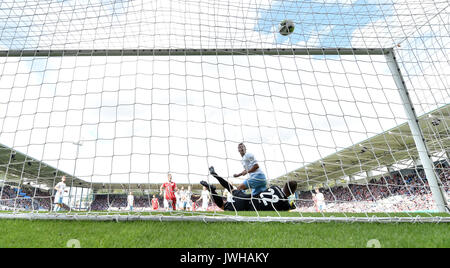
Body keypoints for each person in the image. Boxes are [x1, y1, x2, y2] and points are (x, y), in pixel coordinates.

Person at [202, 166, 297, 211]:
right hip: (248, 207)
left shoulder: (275, 187)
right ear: (293, 192)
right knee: (223, 206)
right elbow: (287, 208)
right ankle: (212, 190)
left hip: (248, 197)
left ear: (284, 185)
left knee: (232, 188)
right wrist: (291, 206)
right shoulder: (285, 203)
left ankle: (215, 175)